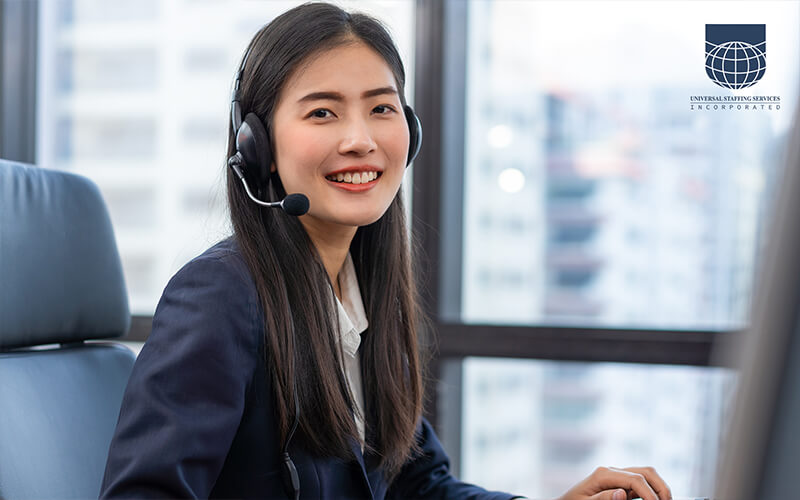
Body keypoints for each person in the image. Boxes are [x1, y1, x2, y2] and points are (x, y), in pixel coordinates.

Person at [99, 3, 673, 500]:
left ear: (410, 133)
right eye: (322, 111)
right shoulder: (222, 295)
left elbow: (416, 486)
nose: (361, 140)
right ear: (259, 145)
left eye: (381, 108)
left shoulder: (365, 292)